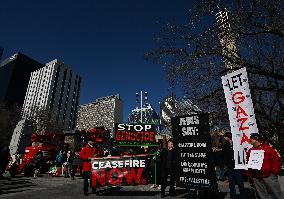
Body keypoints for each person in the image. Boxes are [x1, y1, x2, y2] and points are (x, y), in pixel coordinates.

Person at [247, 133, 282, 199]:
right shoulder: (250, 151)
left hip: (269, 176)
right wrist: (250, 175)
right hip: (256, 177)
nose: (250, 140)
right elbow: (249, 163)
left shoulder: (268, 149)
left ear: (257, 139)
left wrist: (274, 172)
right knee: (262, 196)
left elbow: (277, 160)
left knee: (276, 194)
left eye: (252, 138)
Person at [223, 132, 247, 199]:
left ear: (228, 137)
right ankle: (232, 196)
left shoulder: (236, 145)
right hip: (230, 167)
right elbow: (224, 156)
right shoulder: (225, 145)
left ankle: (243, 195)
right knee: (231, 183)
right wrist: (226, 164)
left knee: (240, 183)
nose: (224, 138)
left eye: (225, 136)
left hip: (237, 166)